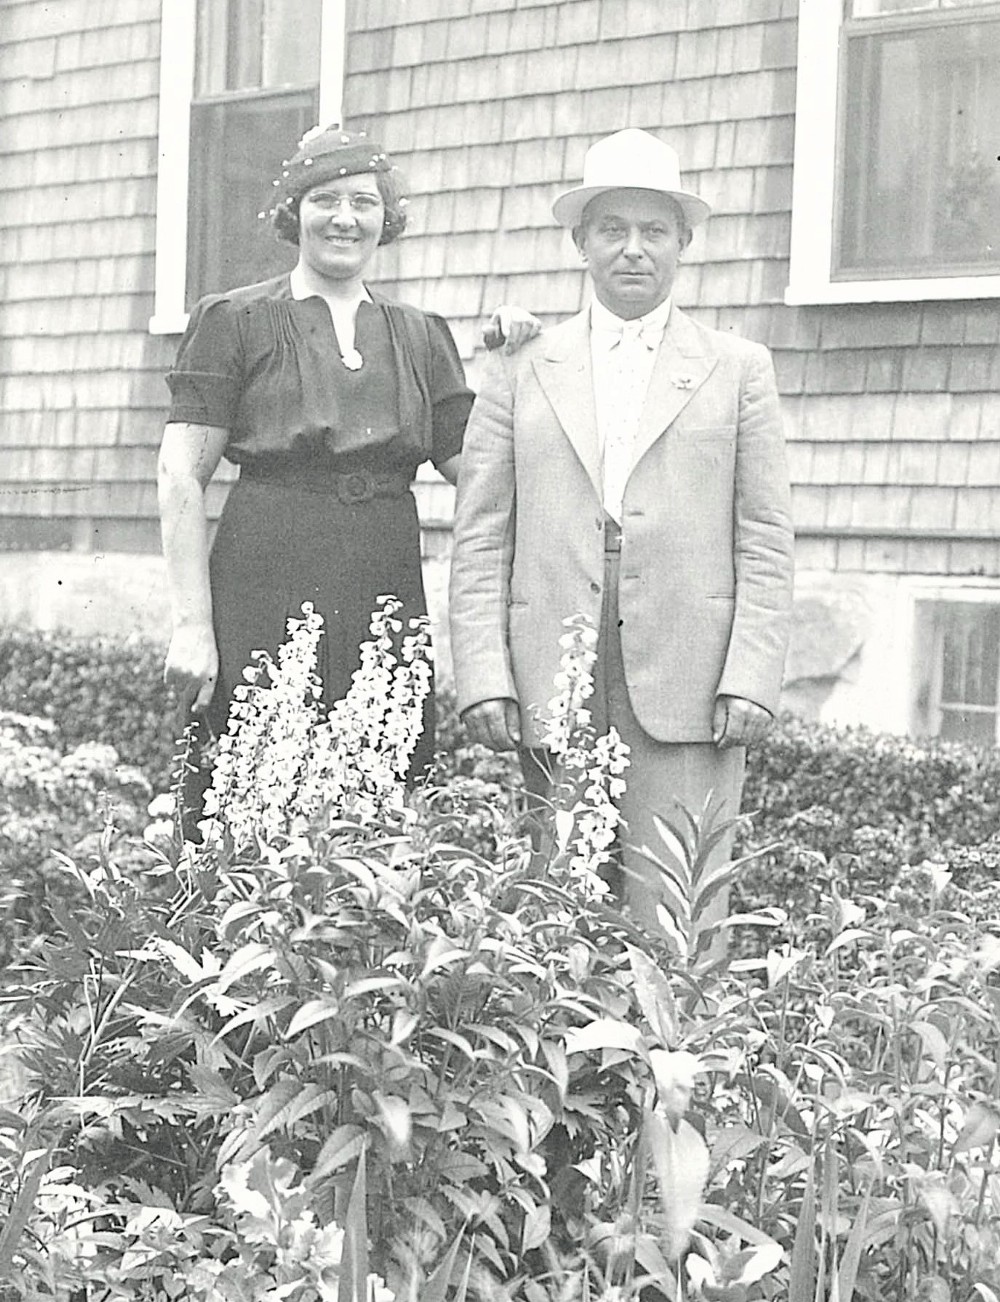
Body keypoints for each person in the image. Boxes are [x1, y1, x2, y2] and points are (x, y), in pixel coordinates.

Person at [449, 128, 795, 925]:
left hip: (689, 672)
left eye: (654, 232)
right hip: (556, 665)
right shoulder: (520, 365)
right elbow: (481, 534)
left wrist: (750, 674)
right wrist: (486, 672)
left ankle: (676, 1050)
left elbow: (765, 535)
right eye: (612, 230)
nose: (632, 251)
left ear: (684, 243)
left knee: (678, 912)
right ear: (581, 242)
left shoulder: (738, 368)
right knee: (555, 907)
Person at [158, 126, 534, 823]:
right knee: (250, 782)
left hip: (381, 579)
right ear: (293, 212)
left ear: (385, 218)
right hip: (264, 575)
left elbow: (481, 469)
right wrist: (192, 625)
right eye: (324, 199)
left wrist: (515, 367)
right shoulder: (235, 320)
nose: (344, 217)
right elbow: (181, 472)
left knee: (379, 783)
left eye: (363, 201)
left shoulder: (419, 333)